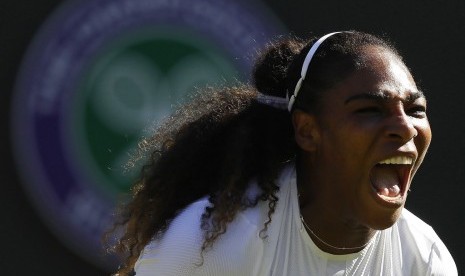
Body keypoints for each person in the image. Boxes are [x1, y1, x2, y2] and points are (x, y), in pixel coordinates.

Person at [107, 31, 458, 275]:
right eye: (369, 110)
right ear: (307, 131)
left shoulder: (424, 260)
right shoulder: (208, 249)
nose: (405, 127)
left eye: (416, 110)